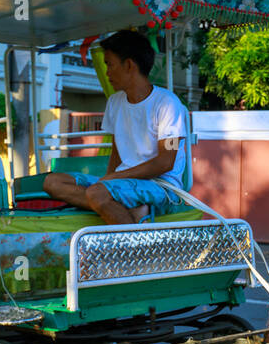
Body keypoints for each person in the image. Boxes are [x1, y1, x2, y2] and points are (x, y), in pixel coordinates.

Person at [43, 30, 189, 225]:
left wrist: (112, 179)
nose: (107, 72)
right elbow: (117, 151)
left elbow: (165, 162)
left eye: (109, 65)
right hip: (122, 182)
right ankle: (123, 207)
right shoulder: (115, 102)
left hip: (162, 187)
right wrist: (110, 180)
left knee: (97, 193)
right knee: (52, 182)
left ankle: (133, 245)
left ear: (129, 65)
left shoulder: (168, 103)